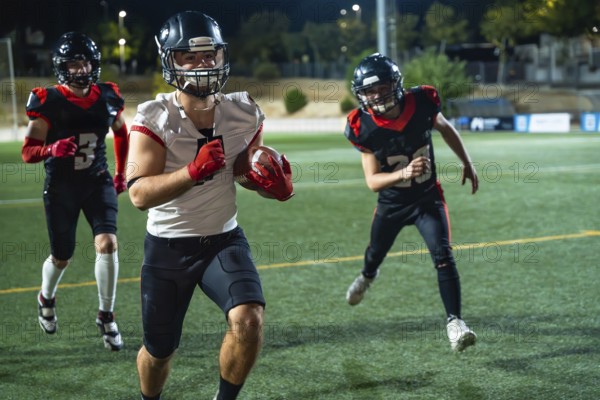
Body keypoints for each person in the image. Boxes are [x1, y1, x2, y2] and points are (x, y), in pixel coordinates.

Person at [126, 11, 293, 400]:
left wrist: (272, 187)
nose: (203, 64)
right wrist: (191, 172)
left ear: (222, 56)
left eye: (210, 55)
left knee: (248, 320)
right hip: (168, 246)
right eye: (189, 56)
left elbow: (242, 172)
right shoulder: (156, 115)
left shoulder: (245, 111)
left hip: (223, 239)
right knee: (159, 351)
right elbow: (138, 194)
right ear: (170, 60)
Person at [343, 53, 479, 352]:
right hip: (392, 203)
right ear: (361, 95)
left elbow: (444, 127)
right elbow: (372, 181)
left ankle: (455, 323)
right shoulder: (362, 126)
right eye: (369, 91)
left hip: (427, 198)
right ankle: (367, 277)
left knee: (443, 255)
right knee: (375, 253)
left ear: (396, 84)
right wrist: (403, 172)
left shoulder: (422, 102)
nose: (376, 95)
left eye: (381, 87)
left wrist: (466, 162)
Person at [21, 32, 128, 350]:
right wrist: (52, 149)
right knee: (62, 256)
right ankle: (46, 297)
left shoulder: (108, 96)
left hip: (97, 180)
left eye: (85, 63)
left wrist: (121, 173)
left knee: (108, 244)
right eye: (73, 63)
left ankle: (106, 315)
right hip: (61, 188)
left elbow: (122, 133)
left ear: (94, 65)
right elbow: (28, 153)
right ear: (61, 66)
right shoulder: (47, 100)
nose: (80, 70)